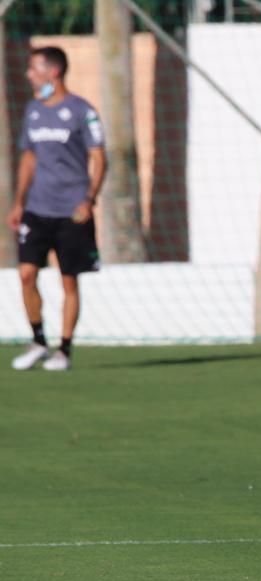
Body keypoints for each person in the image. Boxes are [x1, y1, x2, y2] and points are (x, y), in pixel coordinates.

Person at [6, 46, 105, 372]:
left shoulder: (82, 111)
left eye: (34, 69)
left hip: (71, 211)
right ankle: (37, 340)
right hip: (37, 208)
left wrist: (89, 198)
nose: (29, 75)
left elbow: (99, 157)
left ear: (54, 72)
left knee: (68, 282)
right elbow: (29, 157)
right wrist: (19, 202)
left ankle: (63, 350)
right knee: (26, 274)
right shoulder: (33, 111)